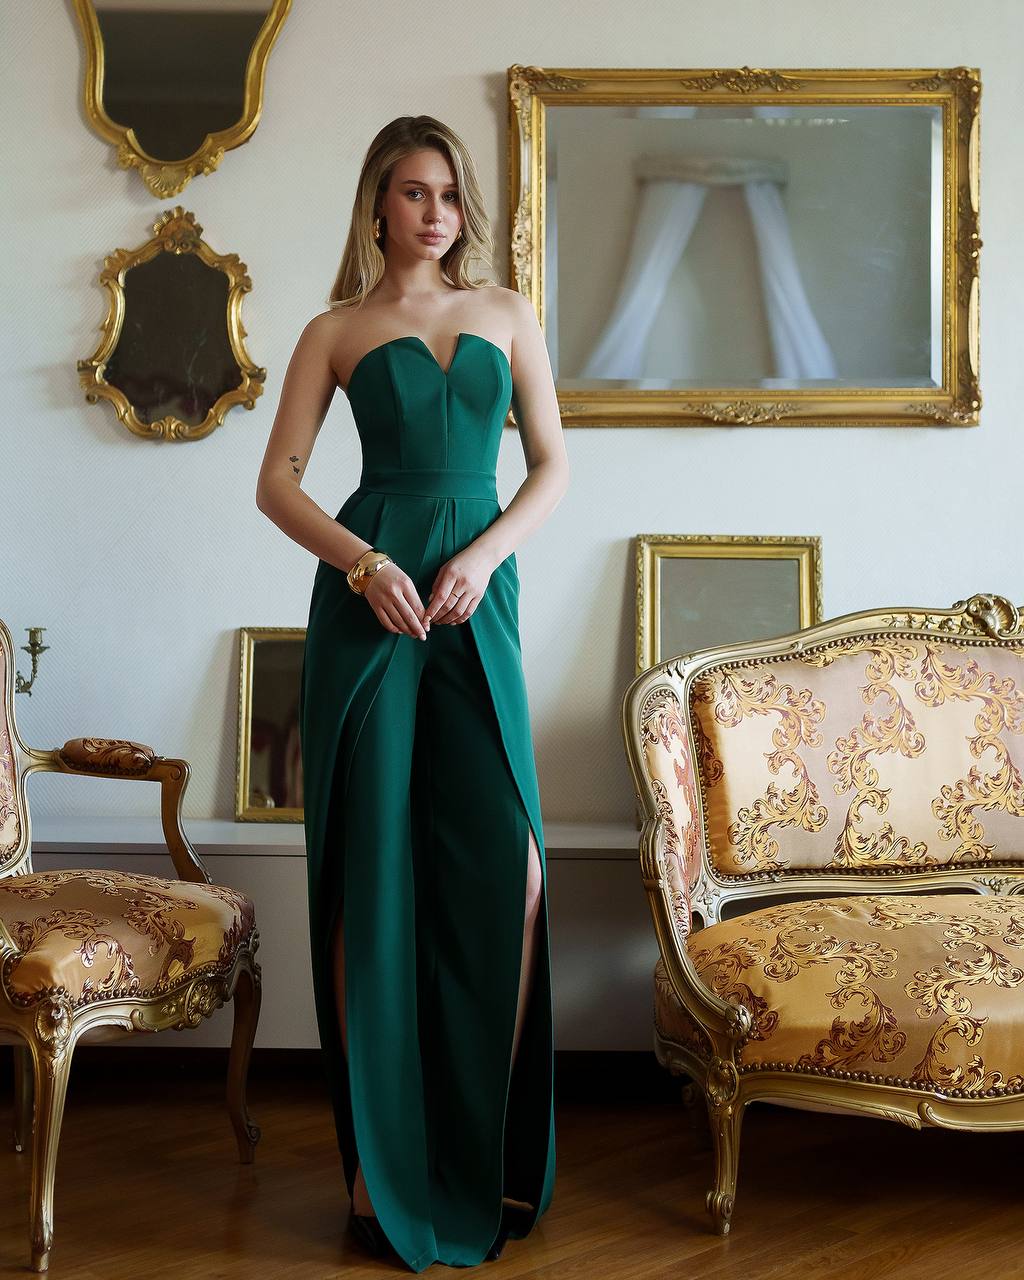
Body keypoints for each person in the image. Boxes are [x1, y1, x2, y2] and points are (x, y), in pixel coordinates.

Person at [255, 114, 569, 1271]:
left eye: (448, 193)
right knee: (371, 876)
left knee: (515, 866)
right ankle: (374, 1167)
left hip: (475, 596)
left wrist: (483, 556)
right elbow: (274, 481)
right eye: (412, 191)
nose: (435, 211)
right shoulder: (335, 329)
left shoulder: (505, 313)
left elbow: (550, 462)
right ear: (377, 204)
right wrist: (361, 561)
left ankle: (480, 1154)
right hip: (371, 603)